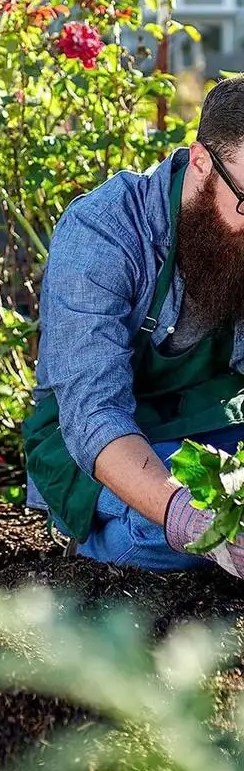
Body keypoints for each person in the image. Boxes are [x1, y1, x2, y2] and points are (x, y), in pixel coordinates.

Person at [23, 74, 244, 575]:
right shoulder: (104, 231)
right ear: (202, 162)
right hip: (98, 447)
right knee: (173, 530)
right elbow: (92, 414)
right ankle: (101, 552)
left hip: (212, 429)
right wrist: (184, 515)